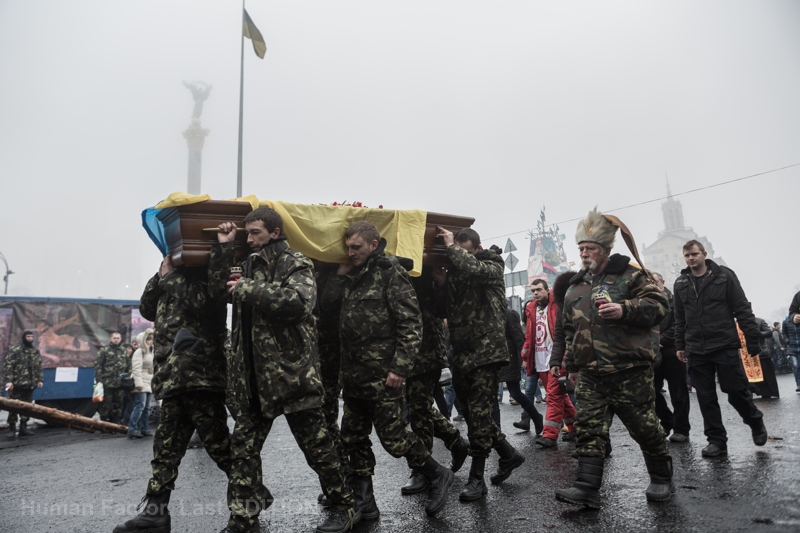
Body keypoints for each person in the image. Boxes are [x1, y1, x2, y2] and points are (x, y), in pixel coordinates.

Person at [213, 208, 359, 533]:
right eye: (246, 233)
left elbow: (299, 303)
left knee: (318, 449)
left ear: (275, 233)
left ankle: (345, 507)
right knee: (243, 452)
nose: (248, 239)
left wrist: (249, 289)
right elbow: (219, 289)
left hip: (292, 376)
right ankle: (243, 518)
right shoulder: (248, 265)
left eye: (255, 233)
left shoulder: (295, 262)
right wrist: (223, 247)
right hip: (253, 380)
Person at [332, 220, 454, 520]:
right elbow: (327, 308)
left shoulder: (390, 272)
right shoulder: (352, 275)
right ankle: (365, 503)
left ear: (374, 244)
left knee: (394, 439)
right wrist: (338, 276)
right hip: (355, 376)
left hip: (383, 375)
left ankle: (437, 474)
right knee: (352, 438)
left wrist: (400, 367)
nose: (350, 252)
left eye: (356, 247)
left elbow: (411, 323)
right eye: (347, 247)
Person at [555, 208, 672, 509]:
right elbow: (569, 330)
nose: (584, 253)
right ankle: (587, 488)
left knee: (644, 427)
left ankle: (661, 478)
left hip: (628, 369)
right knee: (589, 429)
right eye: (581, 248)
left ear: (606, 250)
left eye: (590, 248)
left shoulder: (631, 274)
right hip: (591, 374)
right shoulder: (575, 287)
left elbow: (659, 305)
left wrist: (625, 309)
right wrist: (572, 367)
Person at [113, 256, 235, 533]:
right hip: (172, 379)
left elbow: (206, 303)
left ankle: (251, 495)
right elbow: (147, 308)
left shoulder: (208, 275)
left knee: (220, 447)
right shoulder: (170, 279)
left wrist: (170, 278)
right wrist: (160, 276)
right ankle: (155, 513)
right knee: (165, 450)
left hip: (200, 377)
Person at [433, 226, 525, 502]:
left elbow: (475, 268)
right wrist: (440, 283)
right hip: (462, 353)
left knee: (480, 418)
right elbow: (442, 312)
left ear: (476, 247)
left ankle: (477, 479)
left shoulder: (492, 263)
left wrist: (452, 248)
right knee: (474, 415)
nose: (457, 255)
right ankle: (509, 455)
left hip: (487, 353)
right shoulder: (457, 274)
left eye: (463, 250)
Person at [673, 240, 767, 458]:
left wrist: (752, 339)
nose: (690, 258)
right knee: (706, 397)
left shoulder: (724, 276)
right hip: (696, 348)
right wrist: (680, 345)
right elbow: (679, 317)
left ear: (704, 254)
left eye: (694, 254)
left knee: (736, 391)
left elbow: (742, 308)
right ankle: (716, 441)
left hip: (724, 344)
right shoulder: (681, 283)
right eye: (686, 255)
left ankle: (754, 420)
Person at [399, 270, 468, 495]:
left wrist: (439, 281)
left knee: (418, 409)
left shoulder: (421, 271)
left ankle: (422, 469)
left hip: (424, 349)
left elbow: (440, 307)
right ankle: (455, 441)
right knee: (418, 406)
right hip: (404, 350)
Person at [522, 278, 576, 448]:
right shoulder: (531, 309)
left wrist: (563, 358)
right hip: (540, 361)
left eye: (539, 289)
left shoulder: (557, 306)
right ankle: (576, 429)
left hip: (556, 360)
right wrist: (525, 357)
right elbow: (529, 336)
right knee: (562, 398)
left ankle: (550, 436)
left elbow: (560, 335)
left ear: (548, 290)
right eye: (533, 290)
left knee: (552, 396)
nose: (536, 293)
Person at [652, 272, 691, 443]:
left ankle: (681, 428)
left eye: (654, 281)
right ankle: (667, 421)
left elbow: (679, 325)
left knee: (678, 393)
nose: (651, 284)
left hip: (673, 352)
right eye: (647, 282)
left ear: (662, 282)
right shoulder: (644, 303)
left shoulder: (675, 301)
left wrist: (659, 340)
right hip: (652, 355)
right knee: (651, 391)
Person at [503, 305, 544, 434]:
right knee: (491, 397)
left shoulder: (509, 314)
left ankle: (536, 417)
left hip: (510, 360)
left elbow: (518, 339)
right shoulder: (488, 315)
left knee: (516, 393)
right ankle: (496, 431)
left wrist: (523, 360)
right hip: (495, 359)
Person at [3, 330, 43, 436]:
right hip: (17, 384)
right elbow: (8, 366)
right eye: (28, 336)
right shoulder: (15, 350)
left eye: (31, 336)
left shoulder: (35, 351)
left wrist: (40, 380)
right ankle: (12, 428)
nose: (29, 338)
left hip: (30, 384)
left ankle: (23, 427)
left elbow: (38, 366)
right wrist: (8, 381)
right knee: (13, 406)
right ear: (23, 337)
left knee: (27, 406)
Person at [94, 331, 130, 424]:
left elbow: (129, 365)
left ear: (120, 339)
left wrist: (127, 376)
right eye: (114, 338)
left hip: (120, 383)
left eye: (118, 338)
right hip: (107, 382)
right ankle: (104, 423)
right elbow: (98, 365)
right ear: (110, 339)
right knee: (105, 404)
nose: (116, 340)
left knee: (118, 404)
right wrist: (99, 380)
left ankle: (116, 423)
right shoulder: (104, 350)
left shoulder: (123, 351)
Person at [127, 329, 155, 439]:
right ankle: (132, 429)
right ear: (143, 341)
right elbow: (136, 368)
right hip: (141, 381)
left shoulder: (152, 351)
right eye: (148, 340)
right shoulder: (140, 351)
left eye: (151, 339)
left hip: (149, 380)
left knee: (147, 407)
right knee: (140, 406)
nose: (150, 341)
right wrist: (139, 383)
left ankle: (145, 428)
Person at [752, 317, 780, 399]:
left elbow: (768, 332)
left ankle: (766, 392)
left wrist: (758, 333)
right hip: (743, 354)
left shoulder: (760, 321)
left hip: (760, 352)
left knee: (765, 374)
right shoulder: (737, 323)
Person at [783, 313, 800, 392]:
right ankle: (798, 383)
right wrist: (787, 341)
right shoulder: (786, 322)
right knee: (795, 365)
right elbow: (784, 333)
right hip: (792, 347)